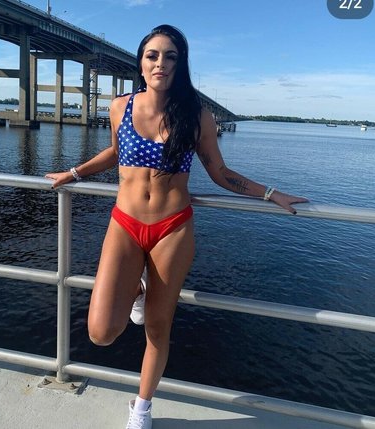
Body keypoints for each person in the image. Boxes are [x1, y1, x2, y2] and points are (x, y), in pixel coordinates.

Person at [45, 24, 308, 429]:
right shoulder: (120, 107)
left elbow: (219, 172)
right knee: (101, 331)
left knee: (158, 325)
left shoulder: (198, 116)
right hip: (125, 223)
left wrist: (270, 193)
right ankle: (137, 289)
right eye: (152, 55)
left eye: (170, 57)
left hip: (173, 228)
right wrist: (75, 172)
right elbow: (115, 151)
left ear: (180, 64)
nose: (160, 64)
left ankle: (142, 408)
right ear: (141, 62)